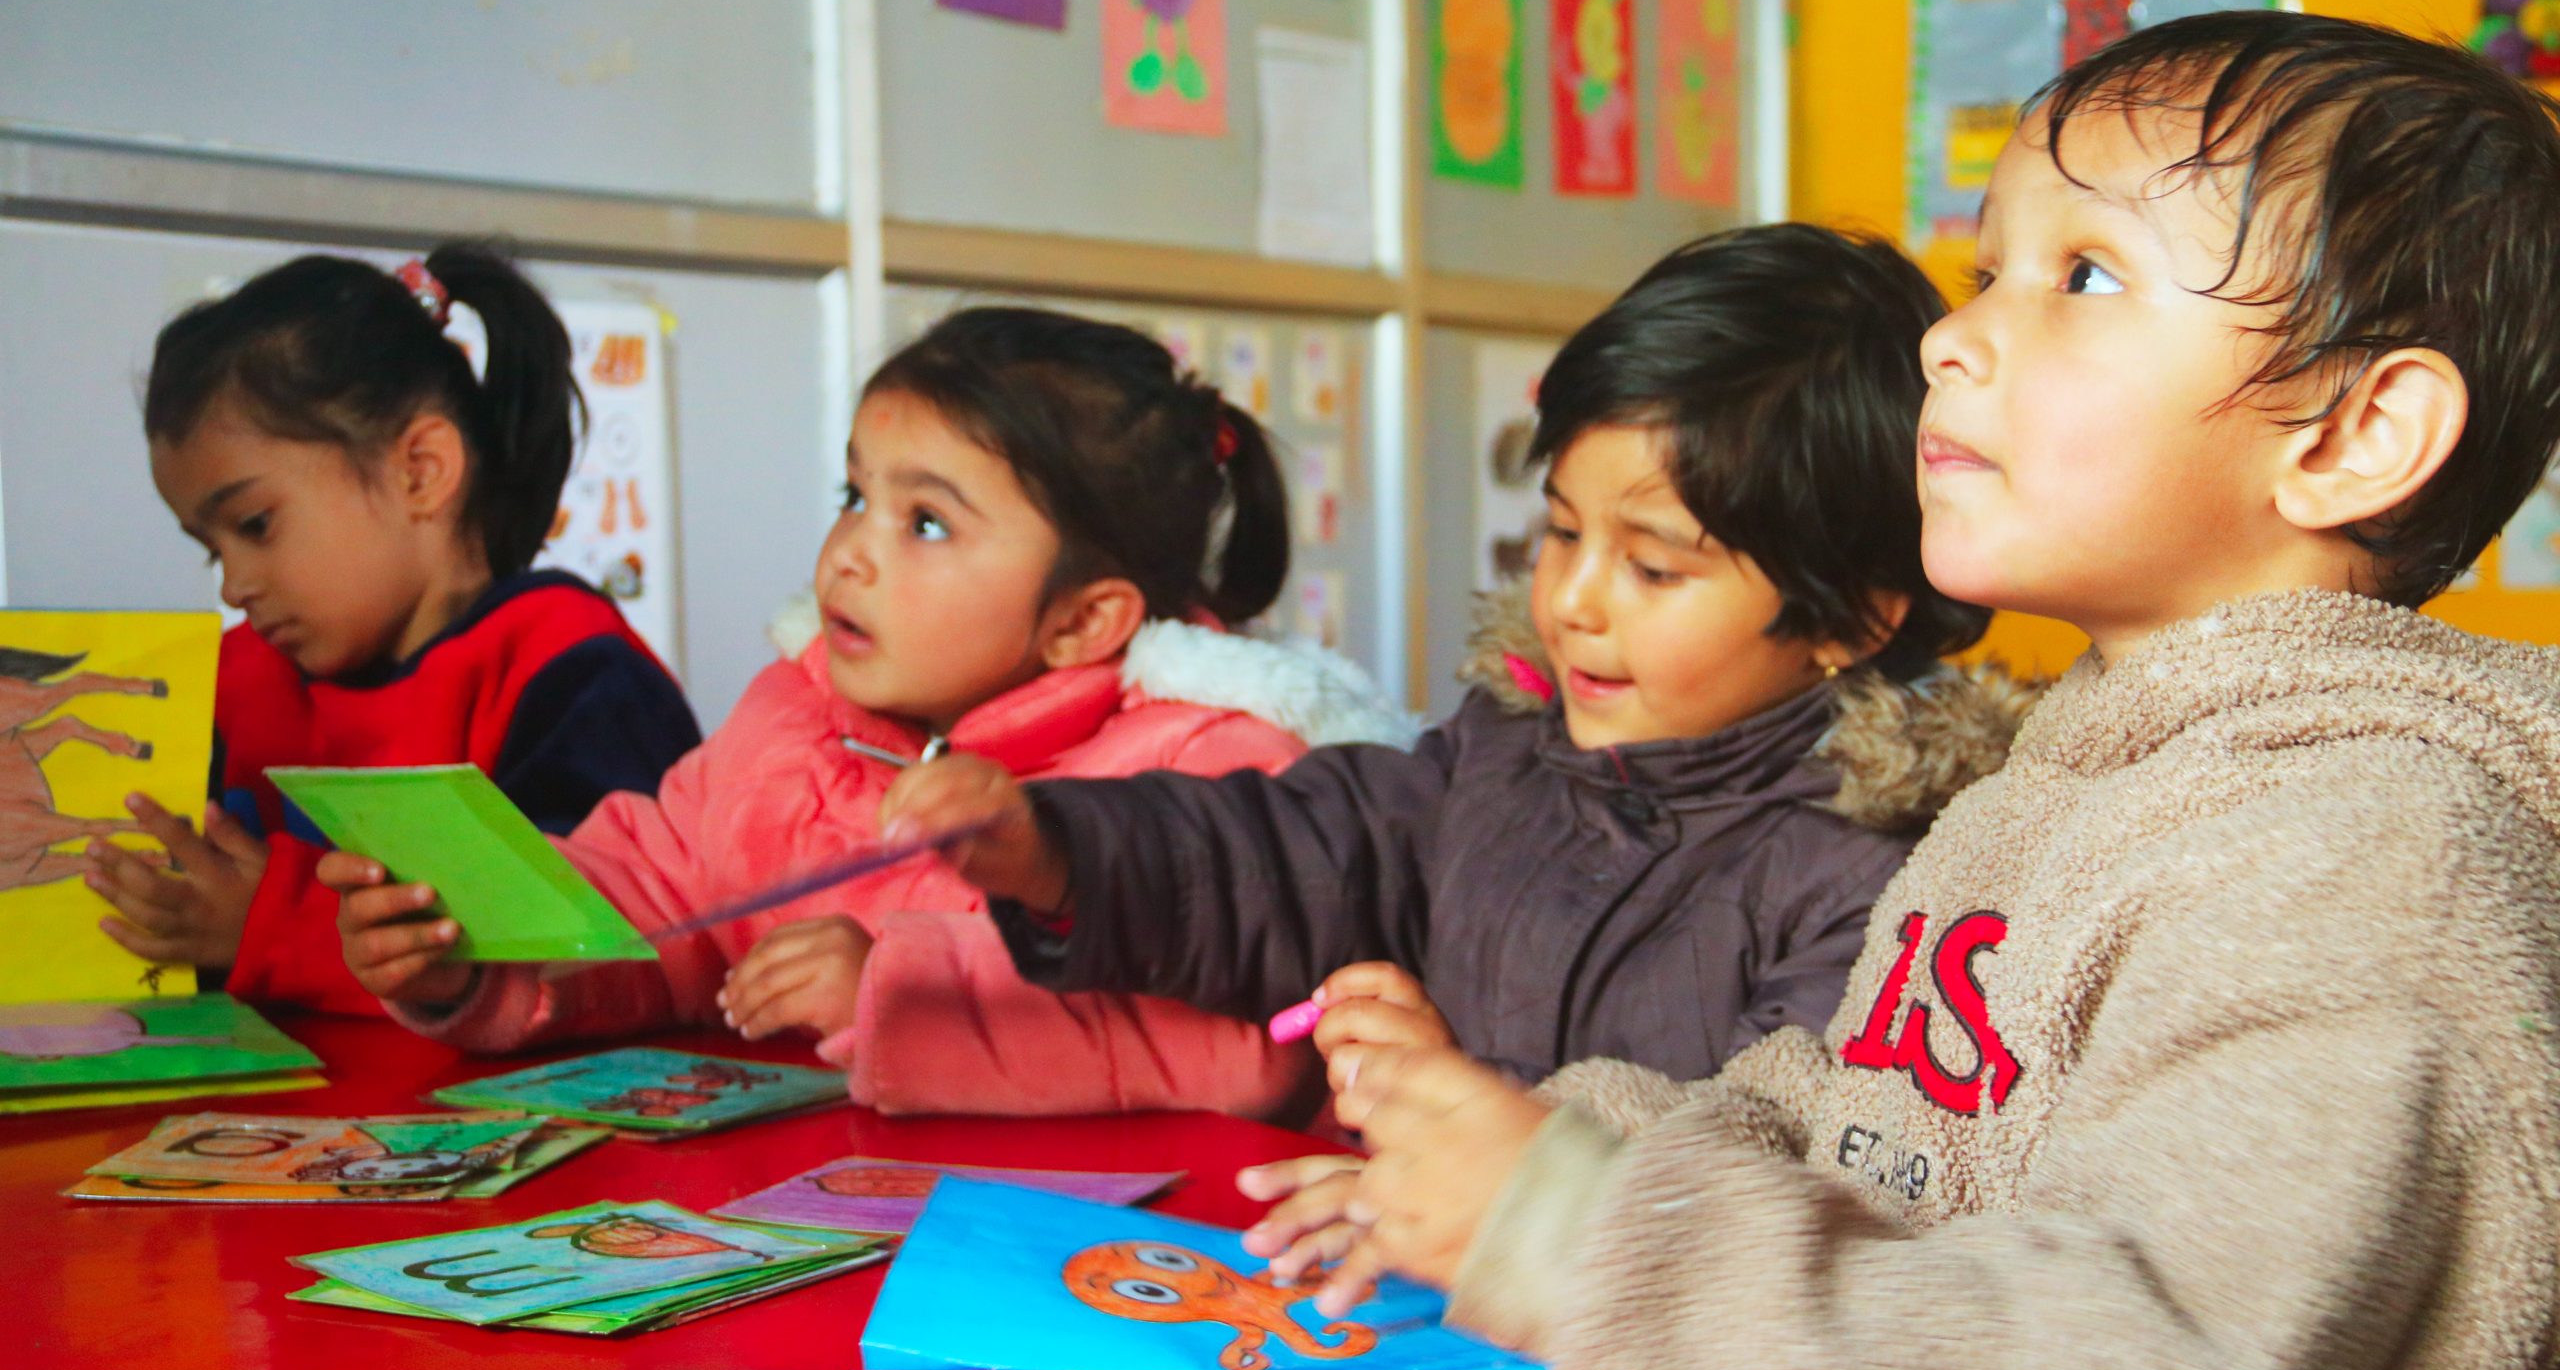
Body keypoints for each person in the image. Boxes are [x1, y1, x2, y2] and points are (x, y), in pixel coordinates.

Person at [1260, 13, 2560, 1370]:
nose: (1951, 342)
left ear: (2354, 435)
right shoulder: (2078, 775)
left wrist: (1578, 1236)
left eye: (2081, 279)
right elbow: (1867, 1113)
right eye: (1984, 273)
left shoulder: (2369, 853)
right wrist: (1548, 1146)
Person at [885, 224, 2026, 1106]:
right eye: (1564, 533)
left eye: (1655, 571)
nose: (1571, 602)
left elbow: (1761, 1178)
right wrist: (1056, 850)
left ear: (1853, 620)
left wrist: (1473, 1123)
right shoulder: (1506, 754)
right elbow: (1289, 857)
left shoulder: (1887, 881)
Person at [327, 306, 1407, 1117]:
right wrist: (481, 951)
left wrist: (892, 989)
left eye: (925, 523)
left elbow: (1239, 1049)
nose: (850, 551)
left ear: (1083, 623)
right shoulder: (797, 715)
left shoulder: (1214, 772)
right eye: (854, 496)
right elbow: (664, 890)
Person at [86, 243, 698, 1013]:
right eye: (211, 548)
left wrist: (265, 930)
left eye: (256, 524)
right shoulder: (231, 683)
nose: (234, 583)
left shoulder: (568, 671)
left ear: (421, 471)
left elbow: (592, 958)